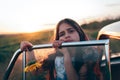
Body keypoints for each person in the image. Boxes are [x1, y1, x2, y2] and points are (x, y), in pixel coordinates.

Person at [20, 18, 103, 80]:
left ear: (80, 34)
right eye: (62, 34)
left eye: (71, 31)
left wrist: (66, 55)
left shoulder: (88, 56)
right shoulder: (55, 57)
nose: (67, 35)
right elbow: (36, 71)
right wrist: (30, 50)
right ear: (58, 38)